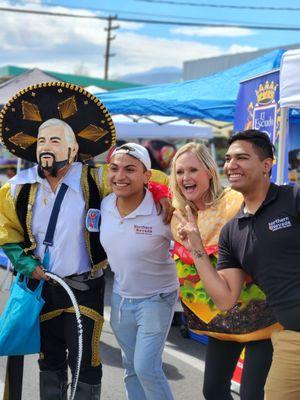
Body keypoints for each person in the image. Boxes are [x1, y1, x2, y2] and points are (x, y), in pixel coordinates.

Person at [0, 82, 172, 400]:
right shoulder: (17, 187)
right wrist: (24, 260)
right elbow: (5, 229)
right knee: (49, 359)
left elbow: (154, 178)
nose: (45, 146)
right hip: (42, 289)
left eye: (55, 139)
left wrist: (160, 195)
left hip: (85, 288)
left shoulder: (97, 179)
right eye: (41, 140)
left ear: (74, 149)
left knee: (86, 362)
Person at [175, 130, 300, 400]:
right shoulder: (232, 232)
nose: (231, 165)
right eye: (229, 158)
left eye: (242, 158)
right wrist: (196, 245)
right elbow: (224, 299)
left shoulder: (293, 198)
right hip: (290, 337)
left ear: (267, 165)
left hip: (271, 327)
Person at [100, 143, 179, 400]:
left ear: (147, 176)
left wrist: (161, 192)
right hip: (121, 299)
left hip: (156, 298)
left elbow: (189, 243)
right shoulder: (105, 203)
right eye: (115, 168)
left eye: (130, 169)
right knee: (131, 367)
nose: (120, 176)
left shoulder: (163, 210)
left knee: (146, 368)